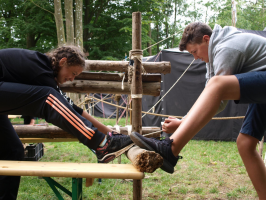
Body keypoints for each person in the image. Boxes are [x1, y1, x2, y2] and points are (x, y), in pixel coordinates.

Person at [130, 22, 266, 199]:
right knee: (245, 144)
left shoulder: (226, 48)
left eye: (194, 52)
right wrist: (182, 121)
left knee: (217, 85)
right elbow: (209, 94)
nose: (194, 58)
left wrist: (182, 124)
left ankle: (170, 149)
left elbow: (219, 99)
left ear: (206, 39)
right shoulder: (213, 53)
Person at [0, 46, 133, 200]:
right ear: (63, 62)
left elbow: (70, 107)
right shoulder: (40, 70)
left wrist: (108, 131)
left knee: (12, 149)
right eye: (73, 73)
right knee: (46, 98)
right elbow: (61, 105)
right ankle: (102, 145)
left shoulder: (43, 71)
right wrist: (105, 136)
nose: (72, 79)